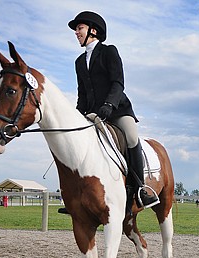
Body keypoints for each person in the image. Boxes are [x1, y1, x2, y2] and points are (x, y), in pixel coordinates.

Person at [65, 11, 158, 212]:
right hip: (92, 114)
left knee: (132, 137)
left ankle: (140, 189)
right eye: (76, 30)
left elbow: (118, 83)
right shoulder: (79, 62)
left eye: (79, 28)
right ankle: (77, 194)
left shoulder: (109, 52)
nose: (77, 33)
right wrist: (75, 116)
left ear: (93, 30)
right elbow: (82, 94)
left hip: (117, 110)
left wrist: (108, 105)